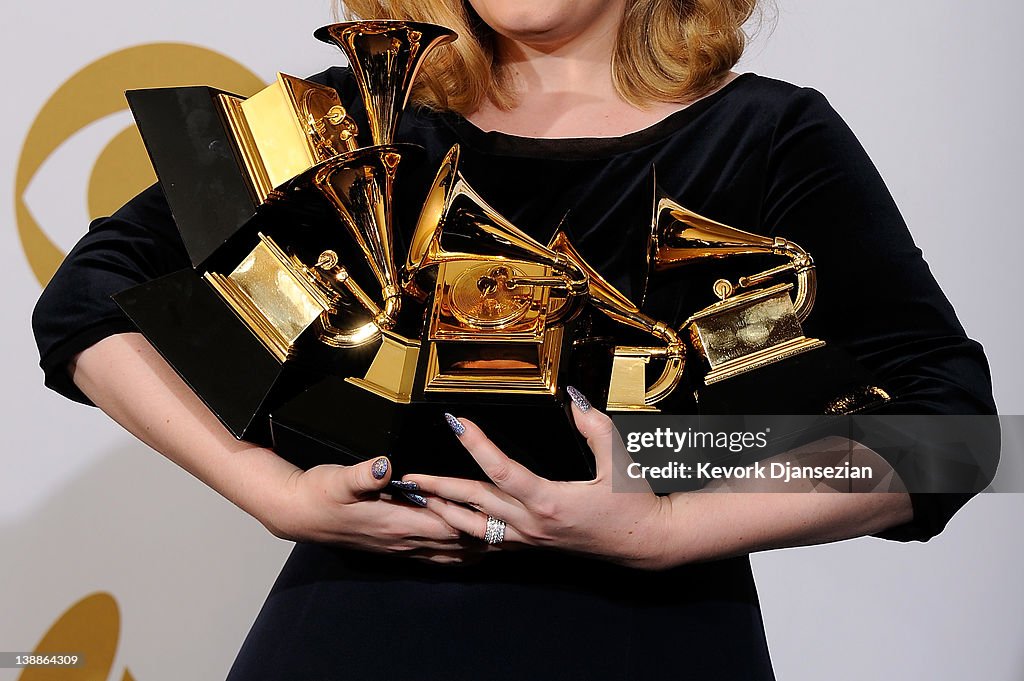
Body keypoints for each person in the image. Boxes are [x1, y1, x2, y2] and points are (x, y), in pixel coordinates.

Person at [32, 0, 996, 678]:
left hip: (651, 644)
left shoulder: (768, 133)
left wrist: (667, 519)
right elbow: (87, 297)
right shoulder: (355, 119)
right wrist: (272, 492)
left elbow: (952, 435)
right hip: (349, 636)